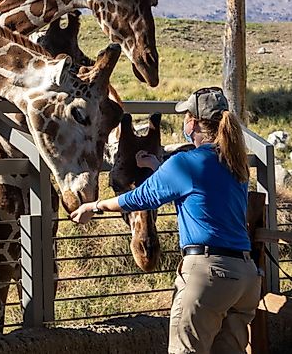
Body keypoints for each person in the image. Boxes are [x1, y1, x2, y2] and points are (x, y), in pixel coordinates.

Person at [70, 87, 261, 354]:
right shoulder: (235, 163)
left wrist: (96, 205)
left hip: (208, 276)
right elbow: (202, 190)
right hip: (245, 277)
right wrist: (158, 168)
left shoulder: (184, 164)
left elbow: (139, 198)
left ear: (192, 122)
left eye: (186, 116)